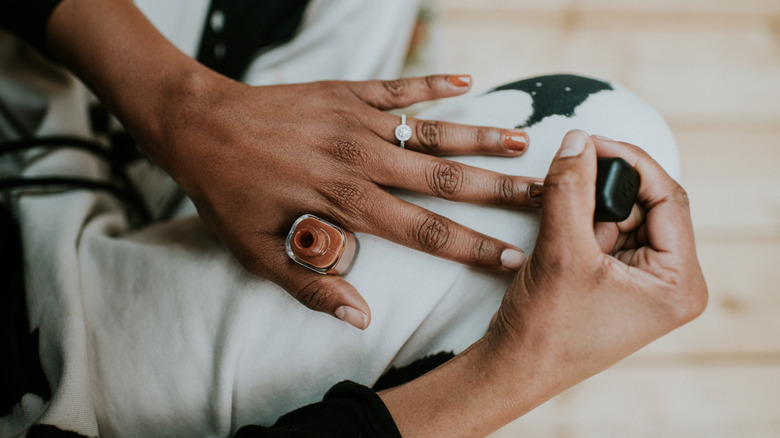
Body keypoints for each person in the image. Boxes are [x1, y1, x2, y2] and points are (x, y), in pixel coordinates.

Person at [0, 1, 707, 436]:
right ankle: (220, 175)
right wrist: (512, 373)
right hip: (77, 340)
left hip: (53, 333)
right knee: (602, 131)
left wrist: (180, 108)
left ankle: (224, 171)